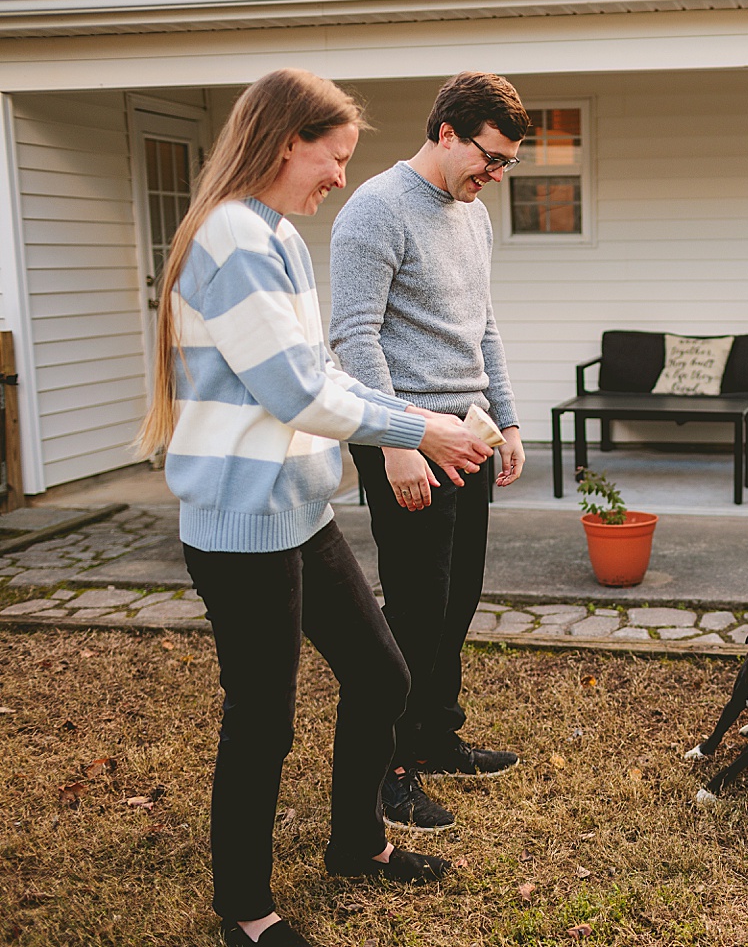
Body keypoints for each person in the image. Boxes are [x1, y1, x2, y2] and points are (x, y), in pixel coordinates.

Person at [135, 68, 497, 947]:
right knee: (262, 717)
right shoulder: (229, 239)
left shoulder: (281, 237)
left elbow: (324, 371)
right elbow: (295, 390)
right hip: (239, 521)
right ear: (284, 141)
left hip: (299, 507)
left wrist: (420, 425)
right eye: (332, 158)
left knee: (381, 673)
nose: (340, 177)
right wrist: (420, 429)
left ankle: (355, 844)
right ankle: (246, 912)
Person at [329, 71, 529, 832]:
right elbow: (354, 335)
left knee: (457, 598)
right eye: (490, 157)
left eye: (508, 163)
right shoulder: (375, 211)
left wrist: (507, 422)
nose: (496, 174)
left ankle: (436, 737)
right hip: (410, 442)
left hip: (469, 435)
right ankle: (390, 772)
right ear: (447, 133)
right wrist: (393, 442)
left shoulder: (472, 217)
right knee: (413, 609)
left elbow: (484, 329)